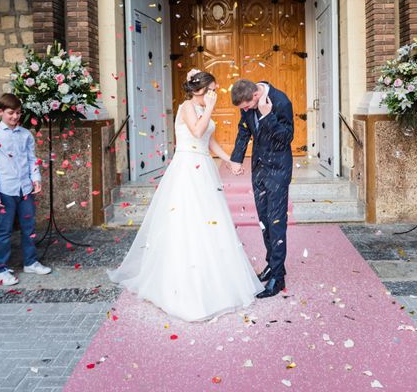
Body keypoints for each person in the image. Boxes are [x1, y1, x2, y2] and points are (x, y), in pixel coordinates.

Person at [108, 69, 264, 322]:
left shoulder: (203, 109)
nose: (215, 93)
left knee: (210, 222)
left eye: (215, 89)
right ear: (199, 90)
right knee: (187, 221)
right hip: (187, 169)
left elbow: (210, 142)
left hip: (204, 170)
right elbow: (196, 133)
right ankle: (182, 286)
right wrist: (210, 109)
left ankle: (214, 281)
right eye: (211, 89)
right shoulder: (187, 107)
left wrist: (232, 161)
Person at [230, 79, 294, 298]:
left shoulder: (281, 101)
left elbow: (286, 138)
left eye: (246, 106)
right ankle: (272, 265)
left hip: (278, 170)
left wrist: (268, 117)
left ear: (256, 96)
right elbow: (244, 131)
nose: (245, 111)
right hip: (258, 169)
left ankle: (278, 277)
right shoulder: (246, 104)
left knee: (276, 222)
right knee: (265, 221)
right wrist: (236, 159)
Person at [0, 93, 51, 286]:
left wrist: (36, 179)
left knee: (29, 227)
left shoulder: (26, 135)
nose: (15, 117)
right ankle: (0, 269)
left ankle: (30, 261)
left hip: (25, 189)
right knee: (3, 230)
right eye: (11, 113)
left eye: (18, 113)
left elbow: (30, 158)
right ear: (1, 112)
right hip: (4, 189)